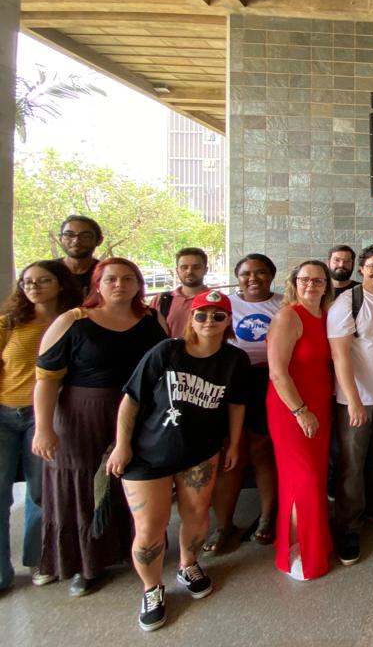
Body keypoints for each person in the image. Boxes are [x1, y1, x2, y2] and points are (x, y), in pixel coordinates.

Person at [107, 290, 248, 631]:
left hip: (200, 452)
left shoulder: (234, 359)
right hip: (148, 453)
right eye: (202, 315)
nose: (209, 321)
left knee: (197, 514)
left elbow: (236, 404)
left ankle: (188, 564)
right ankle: (152, 588)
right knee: (150, 527)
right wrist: (122, 445)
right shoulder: (166, 351)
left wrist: (233, 444)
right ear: (191, 319)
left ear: (228, 321)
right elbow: (131, 400)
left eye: (218, 315)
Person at [31, 257, 166, 596]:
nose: (119, 284)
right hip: (82, 416)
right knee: (84, 483)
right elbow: (46, 379)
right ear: (98, 284)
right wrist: (43, 428)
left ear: (138, 284)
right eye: (111, 279)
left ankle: (135, 550)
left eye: (128, 278)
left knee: (134, 481)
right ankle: (86, 564)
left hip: (139, 413)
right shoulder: (73, 321)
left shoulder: (151, 320)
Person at [0, 261, 81, 593]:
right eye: (27, 281)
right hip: (5, 413)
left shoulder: (74, 321)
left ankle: (39, 559)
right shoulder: (9, 323)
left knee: (40, 492)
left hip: (47, 416)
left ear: (60, 284)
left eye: (42, 280)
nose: (33, 286)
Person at [327, 244, 373, 566]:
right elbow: (339, 355)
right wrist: (354, 401)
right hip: (355, 400)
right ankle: (348, 526)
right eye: (372, 267)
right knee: (351, 466)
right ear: (361, 269)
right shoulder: (348, 302)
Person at [205, 253, 282, 552]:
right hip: (231, 380)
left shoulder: (283, 304)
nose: (253, 278)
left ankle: (267, 517)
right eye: (246, 273)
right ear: (237, 277)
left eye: (261, 272)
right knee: (230, 454)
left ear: (271, 275)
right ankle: (224, 525)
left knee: (263, 450)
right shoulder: (225, 305)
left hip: (268, 381)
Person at [266, 261, 335, 580]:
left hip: (321, 406)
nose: (311, 285)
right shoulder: (288, 316)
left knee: (314, 478)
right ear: (294, 282)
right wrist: (300, 411)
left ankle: (312, 543)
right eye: (305, 279)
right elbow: (277, 373)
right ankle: (300, 552)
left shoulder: (326, 316)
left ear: (326, 285)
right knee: (303, 481)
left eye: (318, 280)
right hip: (291, 409)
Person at [149, 247, 211, 338]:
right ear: (177, 271)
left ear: (205, 270)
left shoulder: (218, 300)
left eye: (196, 267)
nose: (189, 271)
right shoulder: (160, 300)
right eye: (184, 267)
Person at [53, 214, 103, 297]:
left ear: (99, 240)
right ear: (60, 239)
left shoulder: (105, 272)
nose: (76, 241)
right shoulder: (47, 271)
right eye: (69, 235)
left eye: (85, 236)